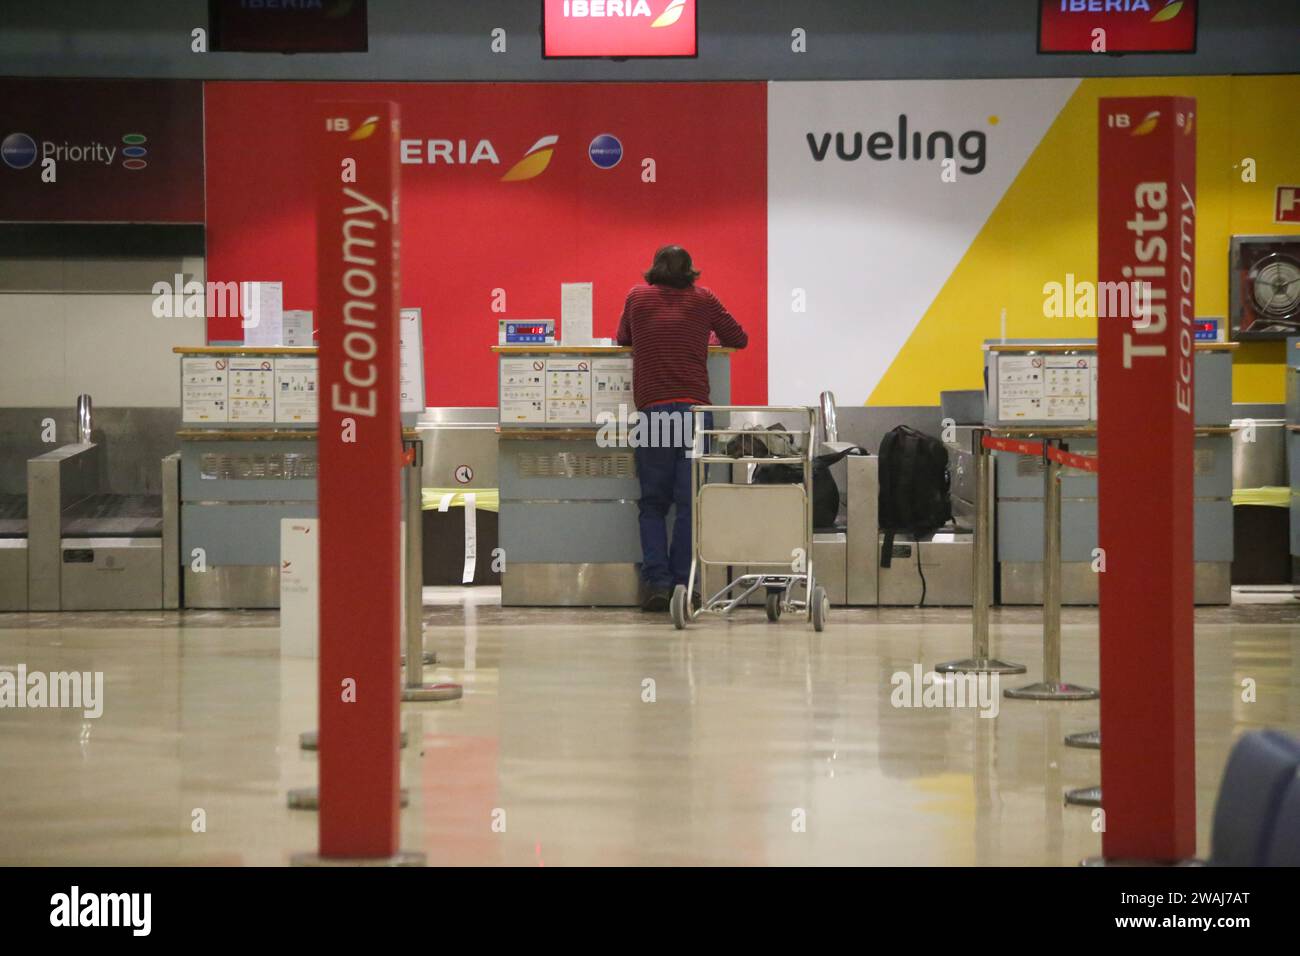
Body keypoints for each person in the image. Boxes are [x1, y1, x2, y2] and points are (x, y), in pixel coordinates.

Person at [615, 245, 749, 612]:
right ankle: (684, 586)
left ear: (654, 268)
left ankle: (656, 584)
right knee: (689, 503)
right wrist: (702, 338)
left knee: (653, 503)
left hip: (655, 413)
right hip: (693, 414)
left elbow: (621, 339)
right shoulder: (704, 299)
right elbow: (739, 337)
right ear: (692, 271)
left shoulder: (637, 297)